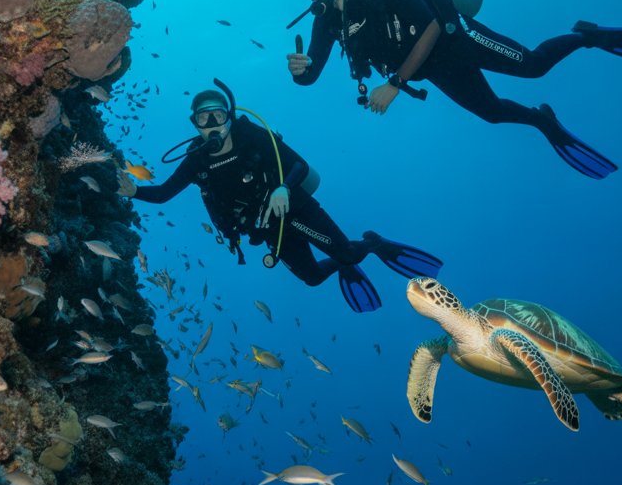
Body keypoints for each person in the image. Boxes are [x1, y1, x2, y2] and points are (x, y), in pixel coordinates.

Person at [286, 0, 622, 179]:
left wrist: (395, 85)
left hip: (456, 37)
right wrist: (301, 72)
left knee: (533, 66)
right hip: (433, 68)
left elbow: (431, 26)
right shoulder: (327, 22)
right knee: (492, 112)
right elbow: (312, 75)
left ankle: (587, 35)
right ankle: (542, 119)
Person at [116, 83, 442, 313]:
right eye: (203, 119)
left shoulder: (252, 137)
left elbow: (298, 164)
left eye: (217, 115)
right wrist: (134, 192)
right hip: (268, 229)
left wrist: (285, 187)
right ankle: (346, 259)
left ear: (229, 117)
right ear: (195, 124)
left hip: (296, 210)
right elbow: (162, 194)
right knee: (312, 278)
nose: (212, 124)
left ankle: (373, 243)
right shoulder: (197, 160)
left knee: (347, 253)